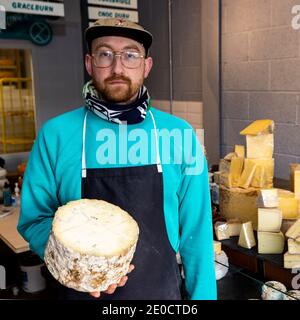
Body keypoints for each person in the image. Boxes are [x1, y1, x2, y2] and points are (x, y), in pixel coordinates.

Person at [17, 18, 217, 300]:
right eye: (105, 54)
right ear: (89, 63)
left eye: (131, 55)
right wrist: (80, 265)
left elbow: (197, 233)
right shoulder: (56, 135)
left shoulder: (180, 135)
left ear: (146, 66)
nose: (117, 68)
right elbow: (33, 219)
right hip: (77, 292)